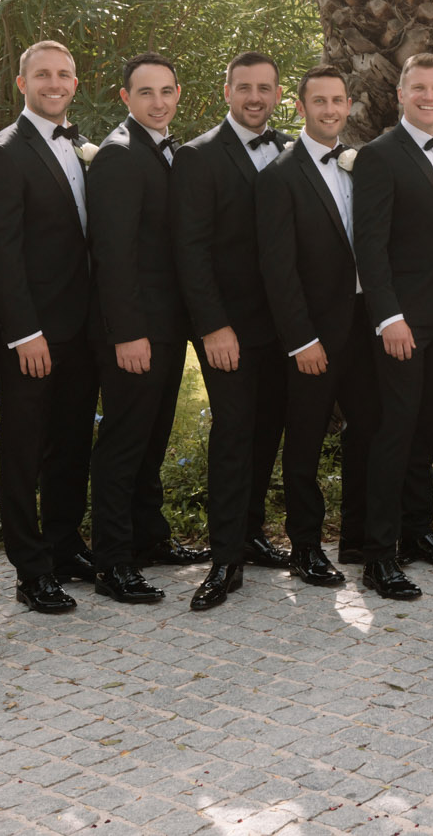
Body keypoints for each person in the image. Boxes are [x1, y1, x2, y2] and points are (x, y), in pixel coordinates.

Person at [0, 39, 100, 615]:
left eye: (64, 74)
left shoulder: (83, 145)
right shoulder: (2, 152)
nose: (55, 83)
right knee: (25, 447)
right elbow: (0, 252)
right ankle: (30, 568)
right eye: (43, 75)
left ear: (76, 82)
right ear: (21, 84)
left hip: (82, 326)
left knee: (72, 441)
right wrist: (25, 333)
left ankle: (65, 543)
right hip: (31, 333)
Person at [351, 54, 433, 601]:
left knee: (425, 428)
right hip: (403, 320)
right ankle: (378, 557)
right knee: (395, 433)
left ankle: (418, 532)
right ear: (400, 94)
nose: (430, 97)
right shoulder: (380, 156)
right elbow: (370, 246)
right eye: (420, 88)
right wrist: (388, 317)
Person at [86, 54, 207, 607]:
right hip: (136, 330)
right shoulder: (117, 156)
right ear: (125, 97)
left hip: (167, 324)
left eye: (166, 91)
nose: (158, 102)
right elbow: (112, 255)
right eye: (145, 93)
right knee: (124, 441)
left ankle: (149, 537)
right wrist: (126, 333)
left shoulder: (164, 148)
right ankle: (112, 562)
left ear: (178, 92)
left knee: (152, 436)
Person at [174, 51, 292, 611]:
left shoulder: (292, 150)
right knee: (234, 432)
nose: (254, 97)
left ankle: (250, 533)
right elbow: (191, 251)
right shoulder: (197, 157)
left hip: (283, 325)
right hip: (228, 328)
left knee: (267, 429)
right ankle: (223, 560)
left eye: (264, 88)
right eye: (244, 87)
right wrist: (214, 326)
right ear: (226, 91)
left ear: (276, 93)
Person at [256, 65, 371, 593]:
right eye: (319, 101)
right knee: (303, 441)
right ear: (300, 108)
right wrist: (301, 339)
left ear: (349, 105)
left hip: (364, 327)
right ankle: (306, 547)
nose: (330, 110)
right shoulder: (280, 175)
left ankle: (357, 537)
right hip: (313, 337)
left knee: (365, 432)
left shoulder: (359, 165)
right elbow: (277, 270)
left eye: (338, 100)